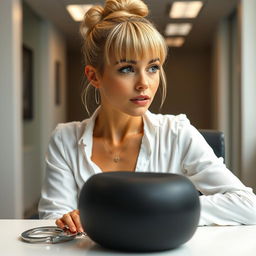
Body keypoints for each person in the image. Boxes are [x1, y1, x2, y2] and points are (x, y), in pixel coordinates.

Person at [38, 0, 256, 233]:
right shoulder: (64, 139)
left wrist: (161, 209)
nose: (144, 83)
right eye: (127, 69)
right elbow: (51, 220)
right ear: (94, 76)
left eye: (153, 67)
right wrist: (65, 221)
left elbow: (247, 205)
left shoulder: (177, 132)